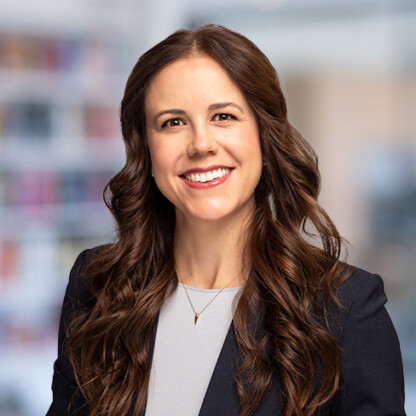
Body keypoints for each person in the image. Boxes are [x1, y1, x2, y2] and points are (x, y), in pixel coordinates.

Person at [46, 24, 406, 416]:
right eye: (173, 122)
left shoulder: (345, 308)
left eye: (223, 116)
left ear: (265, 137)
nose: (201, 144)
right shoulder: (96, 285)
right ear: (146, 151)